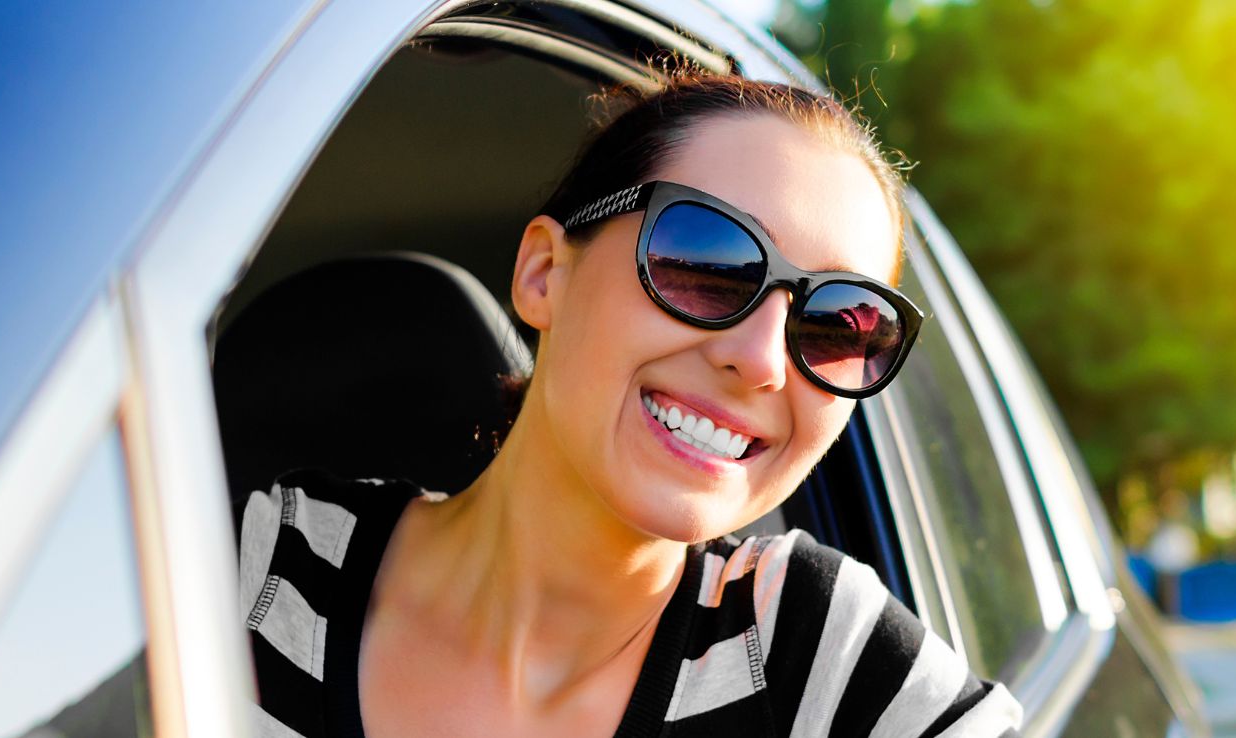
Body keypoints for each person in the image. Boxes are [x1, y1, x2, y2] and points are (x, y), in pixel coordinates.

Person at [235, 69, 1023, 737]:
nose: (759, 362)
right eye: (705, 263)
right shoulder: (257, 568)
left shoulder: (818, 654)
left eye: (836, 324)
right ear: (545, 273)